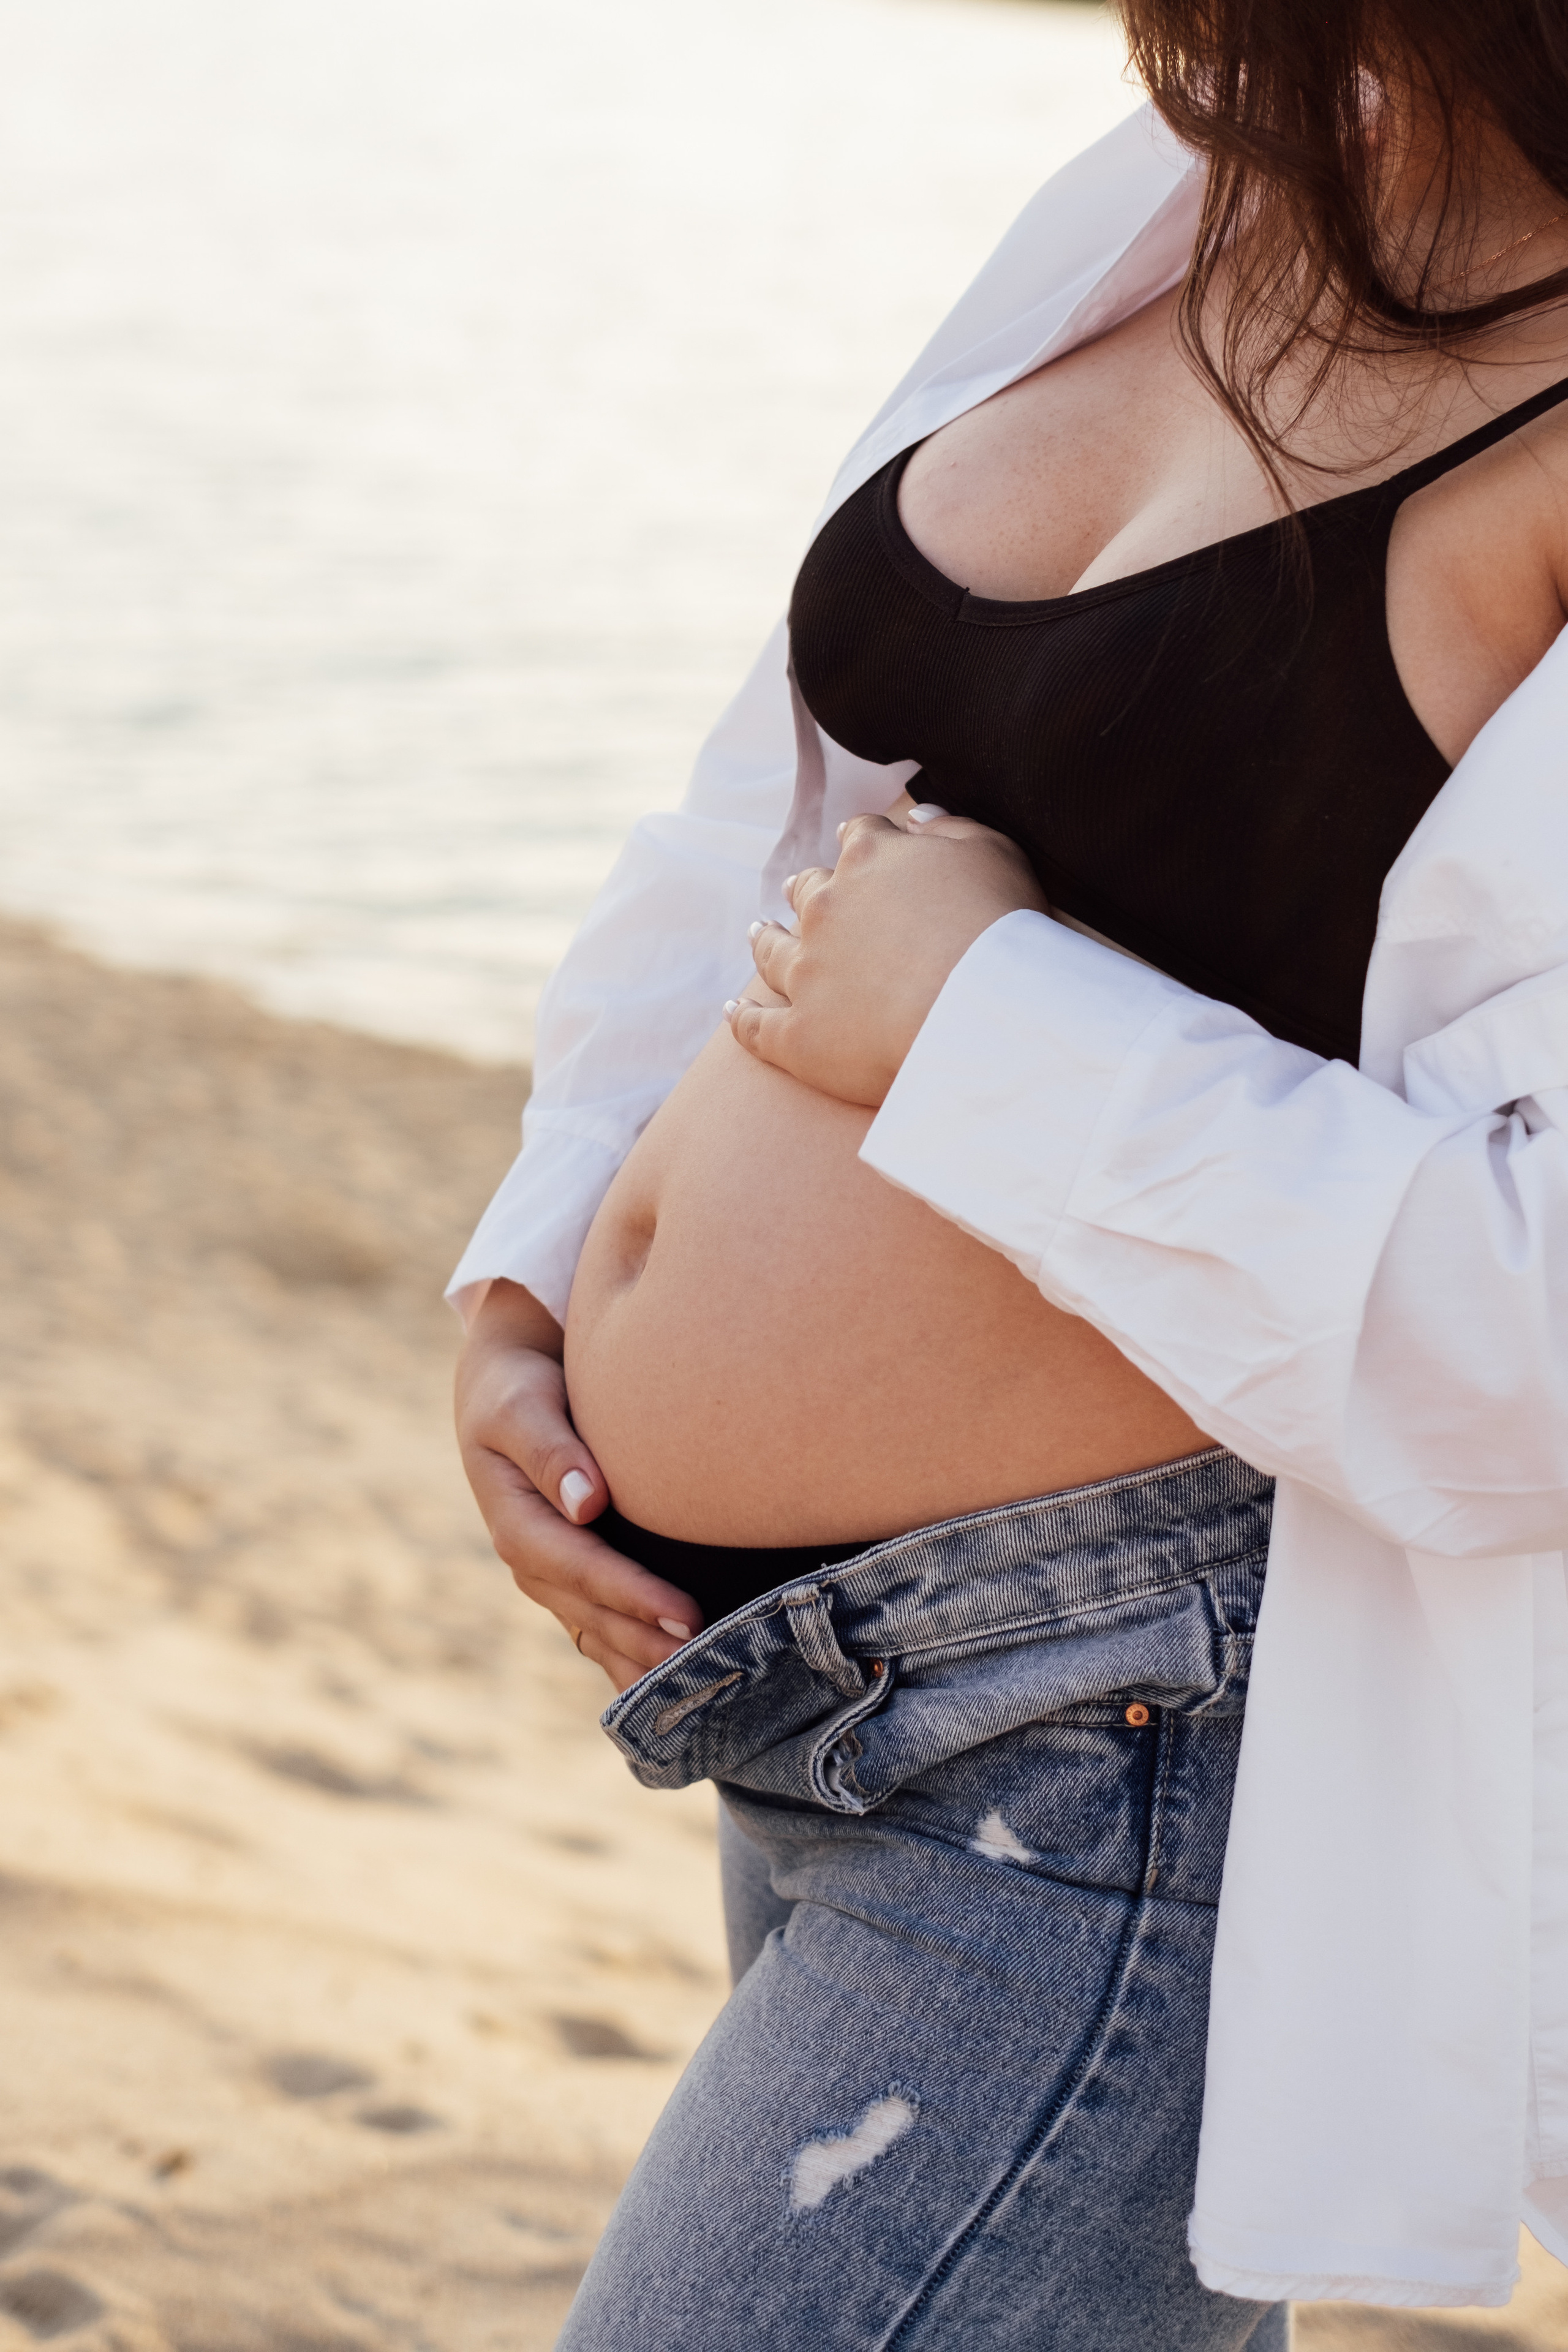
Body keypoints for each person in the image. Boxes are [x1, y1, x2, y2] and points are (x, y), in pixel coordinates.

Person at [451, 1, 1568, 2340]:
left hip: (1130, 1741)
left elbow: (1528, 1342)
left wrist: (979, 1018)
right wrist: (540, 1261)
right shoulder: (1200, 183)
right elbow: (781, 796)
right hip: (808, 1685)